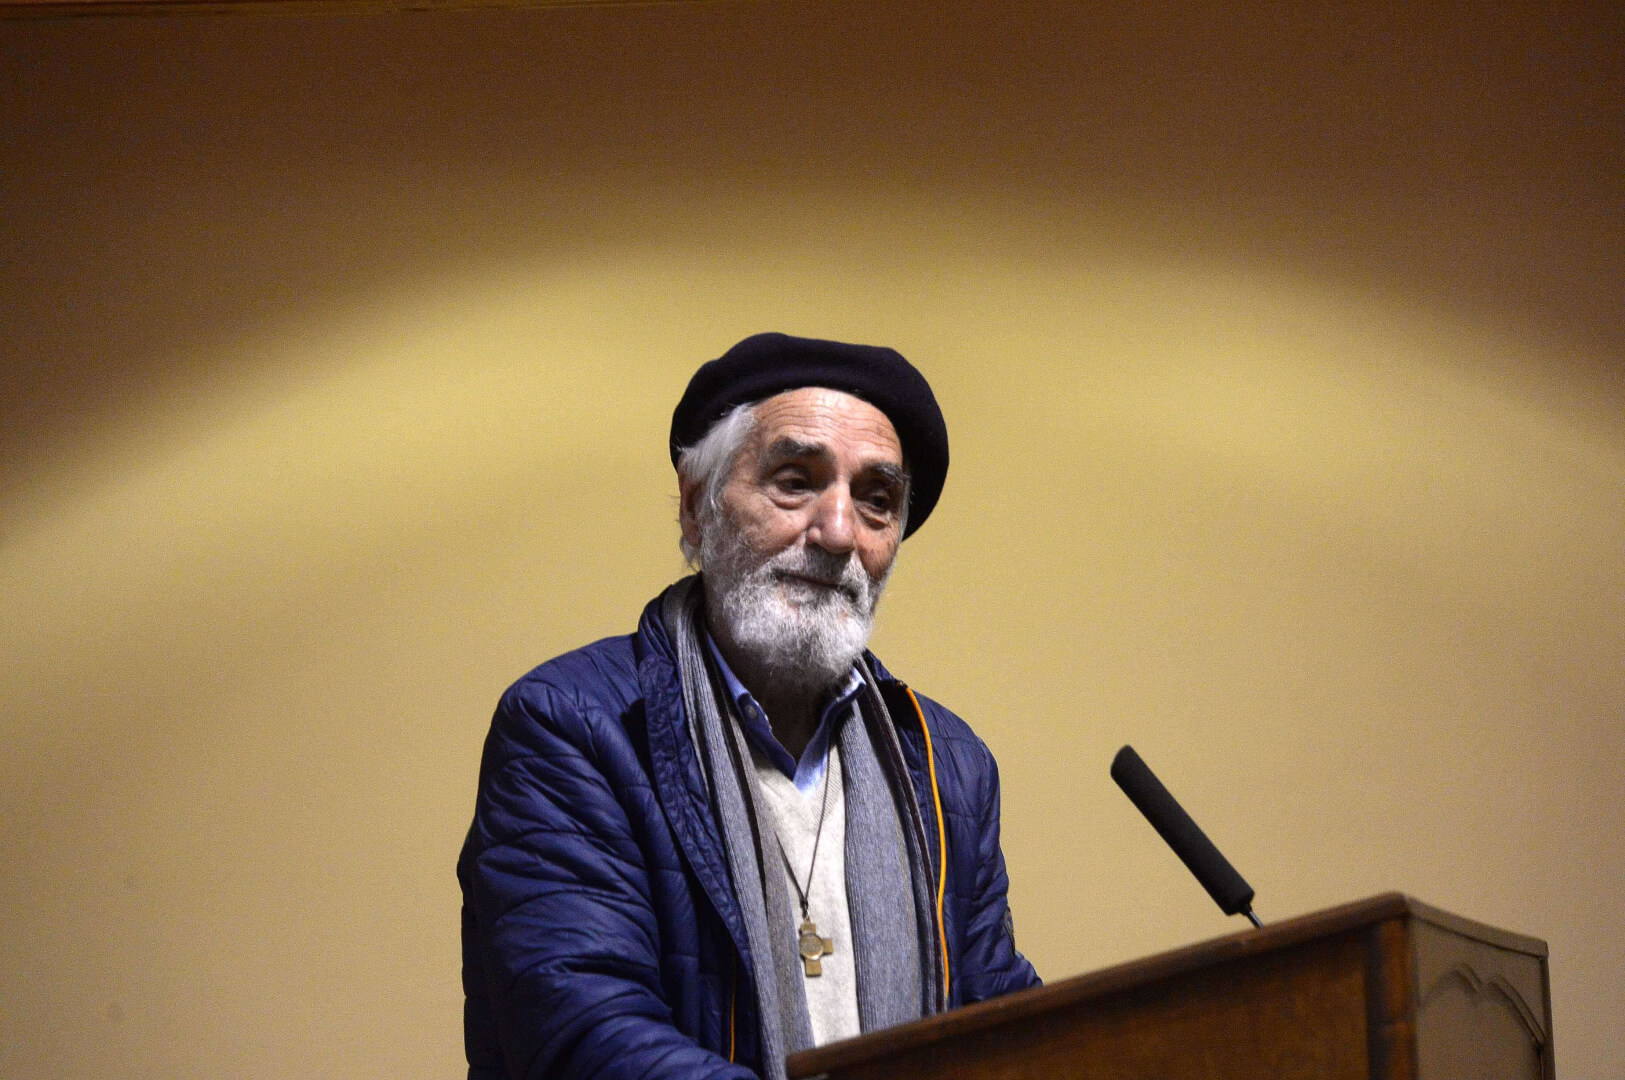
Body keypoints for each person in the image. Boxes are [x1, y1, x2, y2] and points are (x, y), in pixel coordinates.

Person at [458, 333, 1039, 1080]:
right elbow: (587, 1038)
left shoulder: (947, 763)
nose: (838, 533)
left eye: (876, 500)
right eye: (795, 481)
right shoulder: (571, 726)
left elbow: (1003, 1027)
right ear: (696, 508)